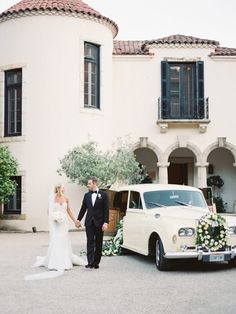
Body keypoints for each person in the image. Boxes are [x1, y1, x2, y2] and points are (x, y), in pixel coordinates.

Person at [25, 184, 86, 280]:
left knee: (64, 240)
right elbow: (49, 211)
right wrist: (54, 218)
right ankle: (55, 262)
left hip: (64, 223)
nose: (64, 189)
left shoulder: (66, 198)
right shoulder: (52, 199)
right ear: (58, 188)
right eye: (63, 187)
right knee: (57, 240)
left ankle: (65, 262)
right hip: (56, 224)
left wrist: (75, 221)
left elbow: (68, 210)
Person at [76, 177, 109, 269]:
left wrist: (106, 222)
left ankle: (96, 262)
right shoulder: (86, 195)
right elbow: (83, 208)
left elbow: (106, 210)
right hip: (89, 222)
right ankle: (90, 262)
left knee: (98, 243)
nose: (88, 185)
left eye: (89, 184)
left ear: (94, 184)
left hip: (100, 222)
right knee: (90, 242)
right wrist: (78, 219)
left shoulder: (104, 195)